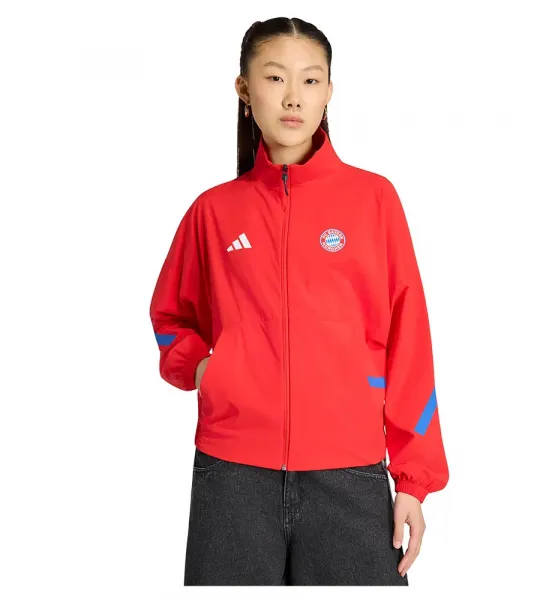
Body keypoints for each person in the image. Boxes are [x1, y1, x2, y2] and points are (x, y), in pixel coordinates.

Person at [149, 17, 450, 586]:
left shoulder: (373, 200)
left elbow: (409, 341)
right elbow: (170, 317)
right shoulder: (213, 212)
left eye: (311, 80)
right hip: (232, 476)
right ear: (244, 89)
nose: (293, 98)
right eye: (274, 78)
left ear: (329, 91)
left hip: (351, 477)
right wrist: (205, 369)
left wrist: (413, 480)